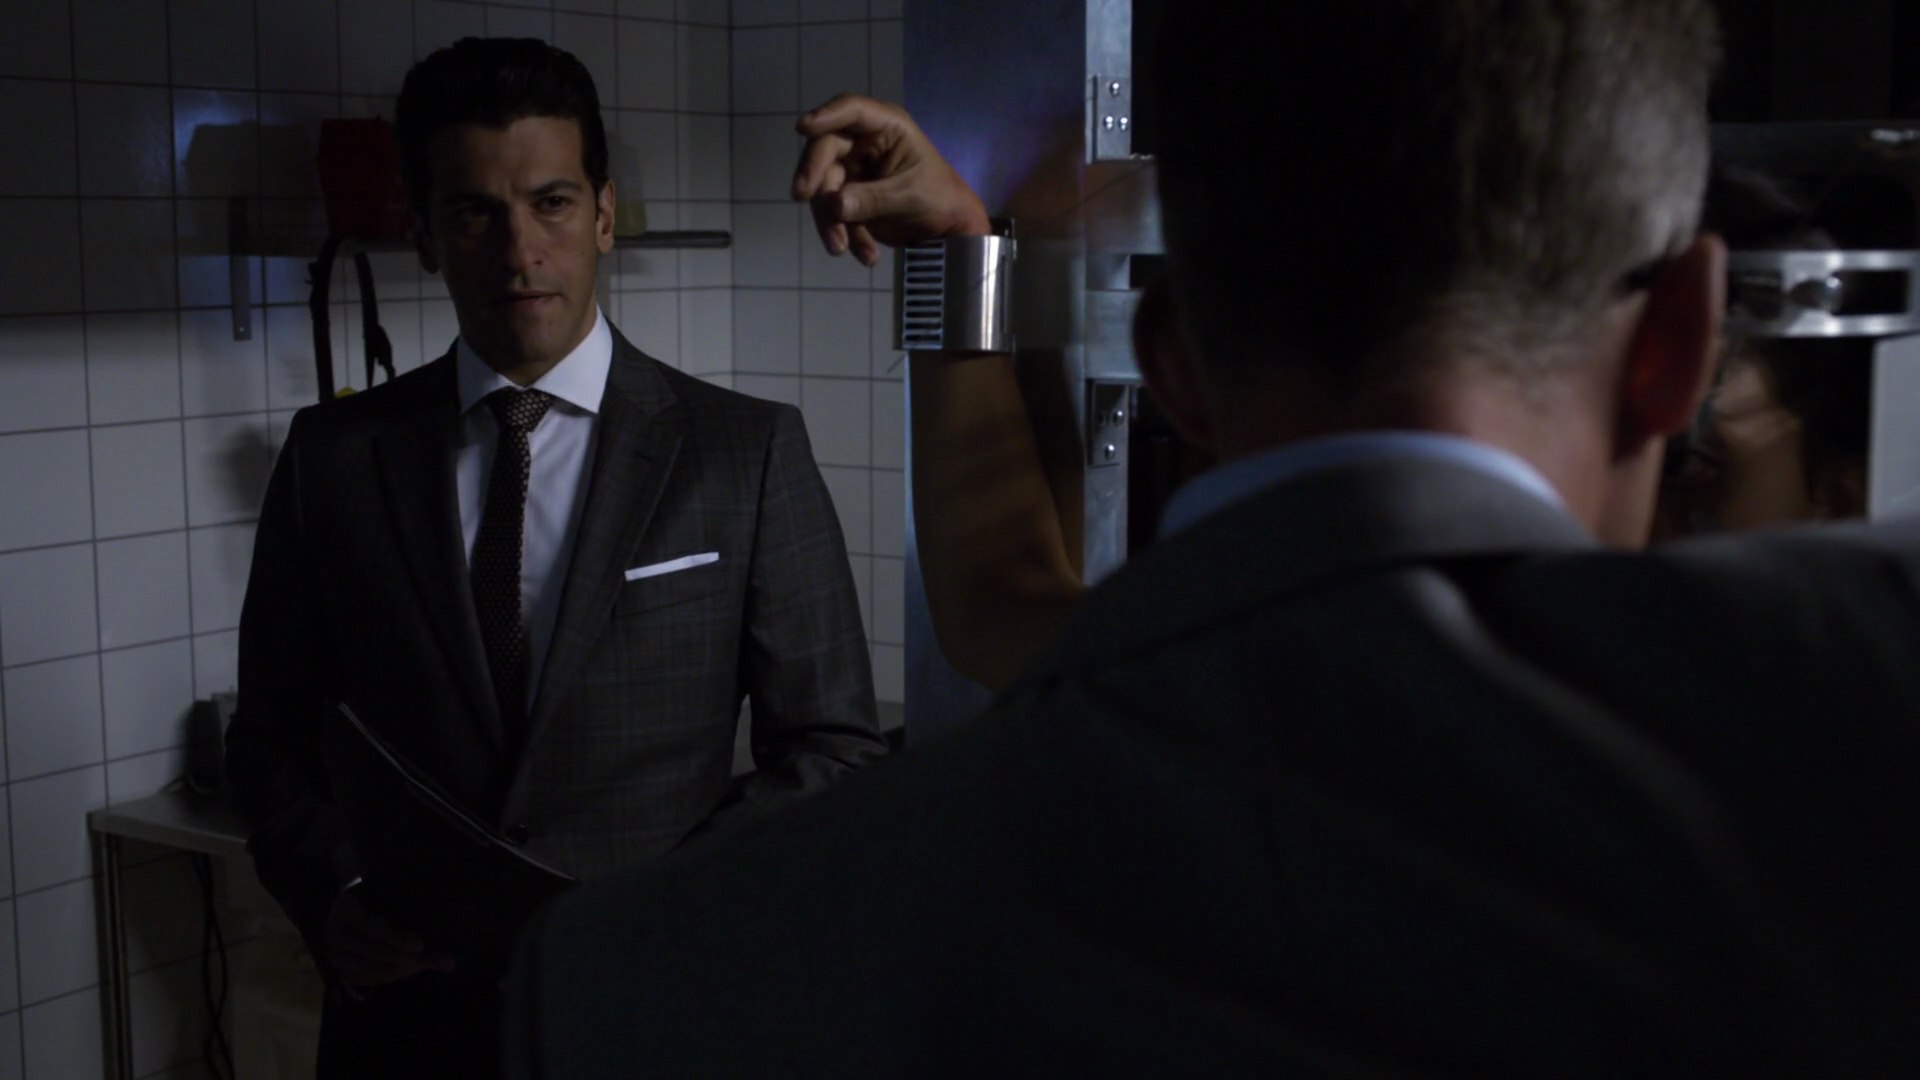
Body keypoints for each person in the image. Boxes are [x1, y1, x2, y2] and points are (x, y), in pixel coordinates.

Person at [507, 5, 1920, 1076]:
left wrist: (955, 255)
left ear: (1171, 357)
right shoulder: (1856, 710)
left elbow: (999, 602)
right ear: (1679, 344)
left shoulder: (658, 976)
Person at [225, 37, 887, 1079]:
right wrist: (337, 895)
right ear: (425, 233)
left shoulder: (744, 451)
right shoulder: (334, 458)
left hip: (653, 1019)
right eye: (475, 213)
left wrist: (667, 908)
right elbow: (269, 741)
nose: (519, 251)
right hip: (407, 1036)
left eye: (552, 203)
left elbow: (833, 750)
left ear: (605, 215)